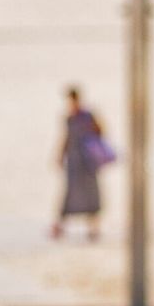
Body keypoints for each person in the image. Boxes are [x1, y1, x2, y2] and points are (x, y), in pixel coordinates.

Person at [53, 86, 106, 241]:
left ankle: (93, 228)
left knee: (90, 195)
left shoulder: (87, 115)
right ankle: (60, 226)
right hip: (74, 161)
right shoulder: (69, 118)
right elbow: (66, 138)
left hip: (87, 161)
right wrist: (60, 156)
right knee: (70, 193)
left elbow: (100, 131)